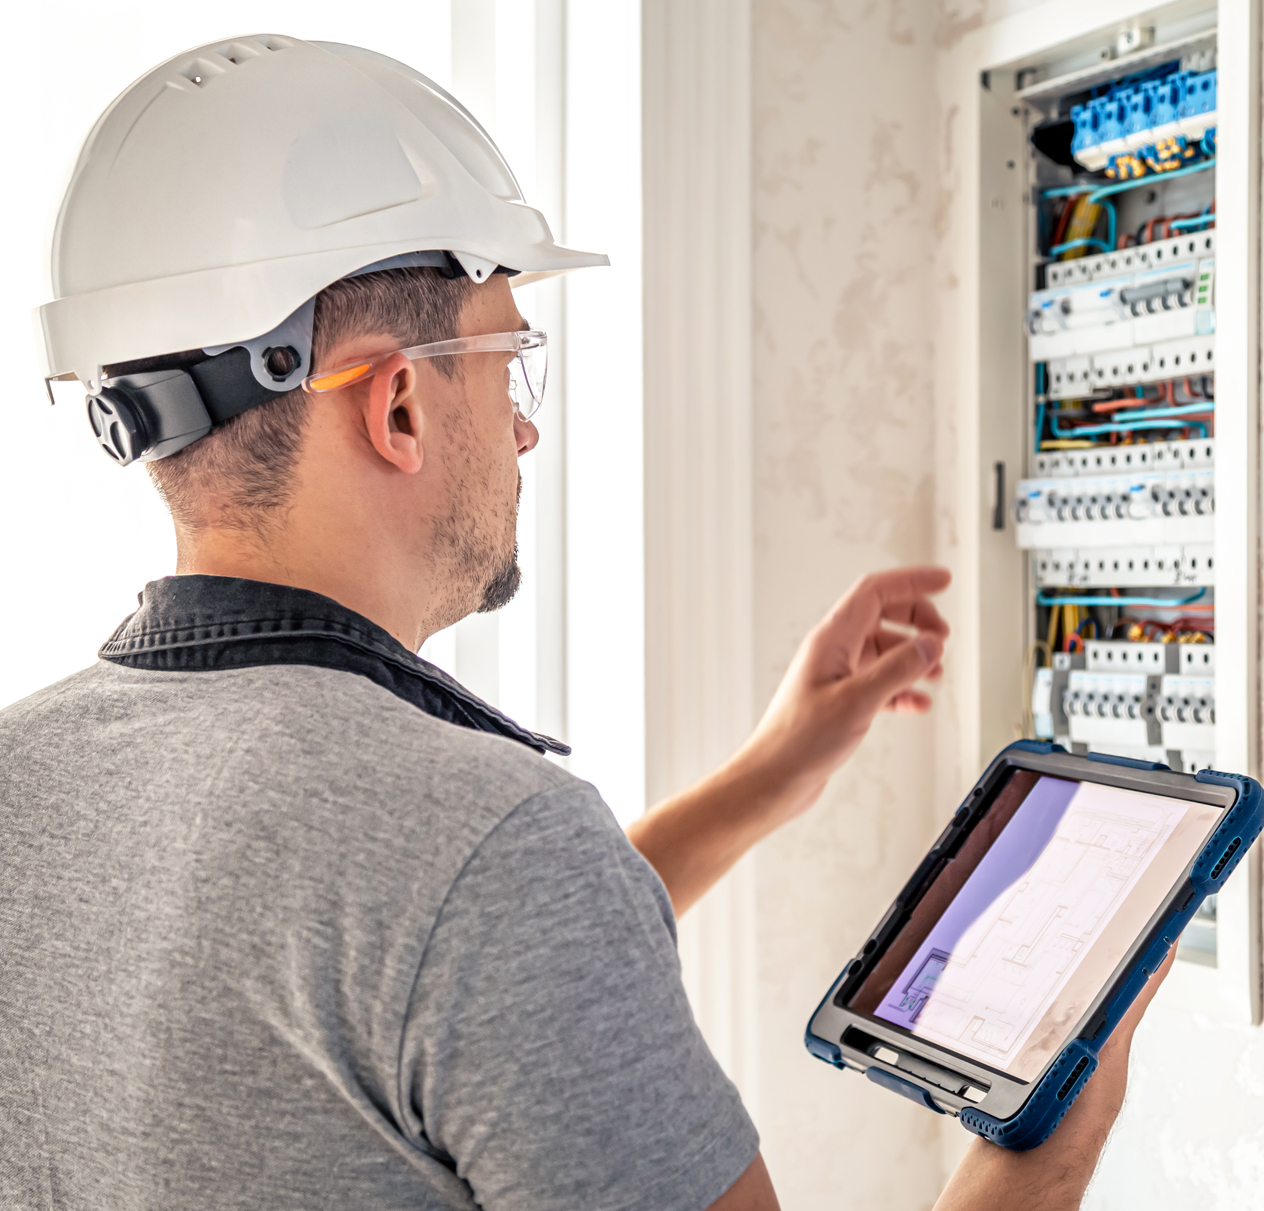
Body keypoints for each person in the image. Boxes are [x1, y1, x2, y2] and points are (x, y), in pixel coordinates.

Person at [1, 34, 1167, 1211]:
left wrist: (771, 773)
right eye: (507, 359)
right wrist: (1051, 1133)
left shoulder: (24, 775)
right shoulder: (484, 847)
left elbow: (427, 989)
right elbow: (459, 930)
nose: (523, 430)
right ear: (398, 399)